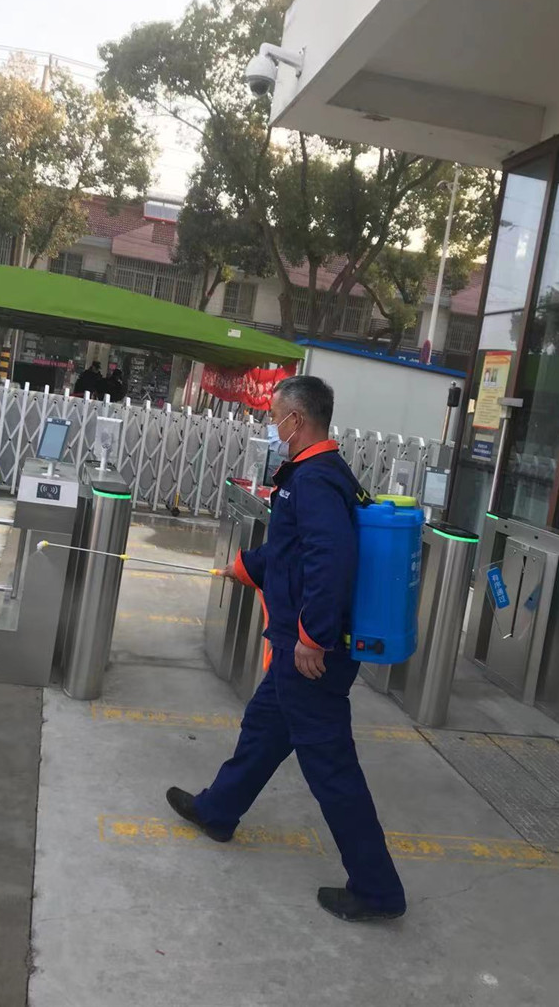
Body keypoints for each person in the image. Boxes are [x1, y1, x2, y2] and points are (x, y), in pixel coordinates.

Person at [167, 375, 406, 923]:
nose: (271, 425)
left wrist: (311, 637)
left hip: (313, 651)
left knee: (331, 768)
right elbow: (292, 551)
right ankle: (217, 811)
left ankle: (377, 890)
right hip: (302, 642)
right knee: (264, 729)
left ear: (296, 420)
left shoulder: (315, 479)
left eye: (274, 416)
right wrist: (246, 566)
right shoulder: (322, 471)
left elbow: (331, 559)